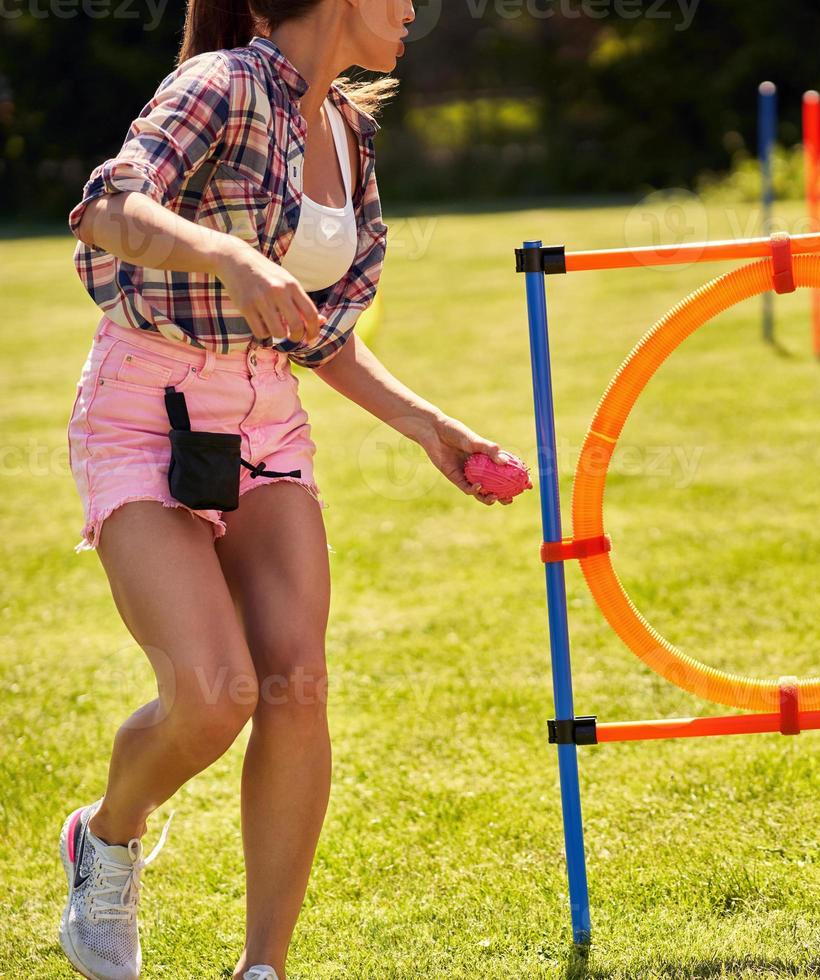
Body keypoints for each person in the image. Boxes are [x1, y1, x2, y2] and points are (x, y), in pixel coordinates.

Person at [59, 0, 516, 976]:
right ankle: (107, 834)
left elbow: (320, 334)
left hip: (263, 419)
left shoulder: (347, 130)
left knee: (297, 684)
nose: (412, 10)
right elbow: (109, 205)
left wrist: (432, 428)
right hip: (147, 406)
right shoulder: (219, 84)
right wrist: (226, 251)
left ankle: (262, 966)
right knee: (212, 694)